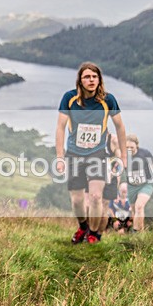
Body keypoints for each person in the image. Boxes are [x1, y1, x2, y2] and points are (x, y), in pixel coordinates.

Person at [56, 62, 127, 244]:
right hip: (74, 153)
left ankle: (94, 234)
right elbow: (60, 127)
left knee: (96, 197)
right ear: (80, 80)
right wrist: (60, 157)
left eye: (95, 76)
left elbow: (120, 127)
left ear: (99, 80)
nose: (91, 80)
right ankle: (83, 227)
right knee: (77, 200)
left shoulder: (108, 100)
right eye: (87, 77)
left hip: (97, 154)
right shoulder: (69, 98)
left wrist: (123, 156)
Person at [125, 133, 153, 232]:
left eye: (132, 147)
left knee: (139, 206)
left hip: (146, 184)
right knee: (135, 211)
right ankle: (141, 232)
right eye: (127, 147)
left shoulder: (145, 153)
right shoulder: (123, 155)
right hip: (131, 186)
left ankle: (135, 232)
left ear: (137, 145)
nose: (129, 149)